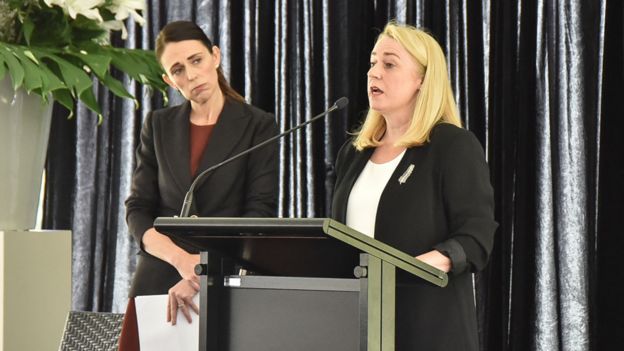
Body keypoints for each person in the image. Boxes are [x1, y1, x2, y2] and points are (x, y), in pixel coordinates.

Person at [331, 22, 497, 350]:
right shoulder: (353, 154)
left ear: (422, 79)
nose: (374, 73)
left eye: (389, 64)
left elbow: (476, 237)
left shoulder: (452, 145)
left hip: (428, 328)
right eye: (373, 62)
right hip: (359, 327)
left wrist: (411, 267)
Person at [125, 21, 279, 326]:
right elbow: (138, 210)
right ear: (169, 80)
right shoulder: (157, 125)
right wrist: (182, 261)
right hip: (158, 276)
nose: (191, 74)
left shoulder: (258, 126)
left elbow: (259, 214)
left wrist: (202, 272)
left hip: (225, 276)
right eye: (178, 69)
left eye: (196, 60)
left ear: (215, 56)